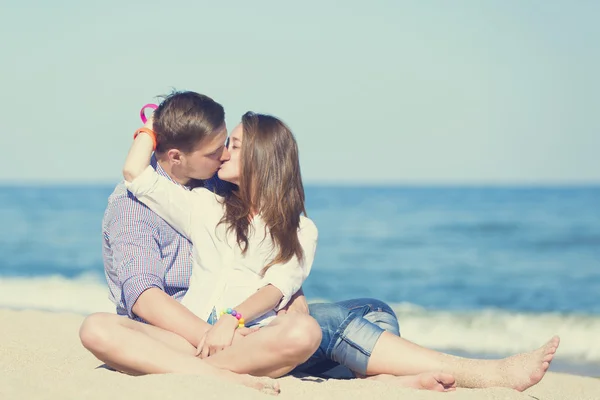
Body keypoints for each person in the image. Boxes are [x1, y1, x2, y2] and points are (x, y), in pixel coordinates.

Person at [80, 91, 559, 394]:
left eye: (234, 144)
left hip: (248, 334)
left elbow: (281, 282)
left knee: (353, 317)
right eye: (219, 148)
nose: (224, 151)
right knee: (97, 328)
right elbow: (136, 177)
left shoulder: (295, 227)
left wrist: (240, 317)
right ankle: (228, 379)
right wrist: (150, 124)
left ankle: (400, 376)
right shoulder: (200, 205)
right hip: (199, 341)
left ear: (263, 161)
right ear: (182, 155)